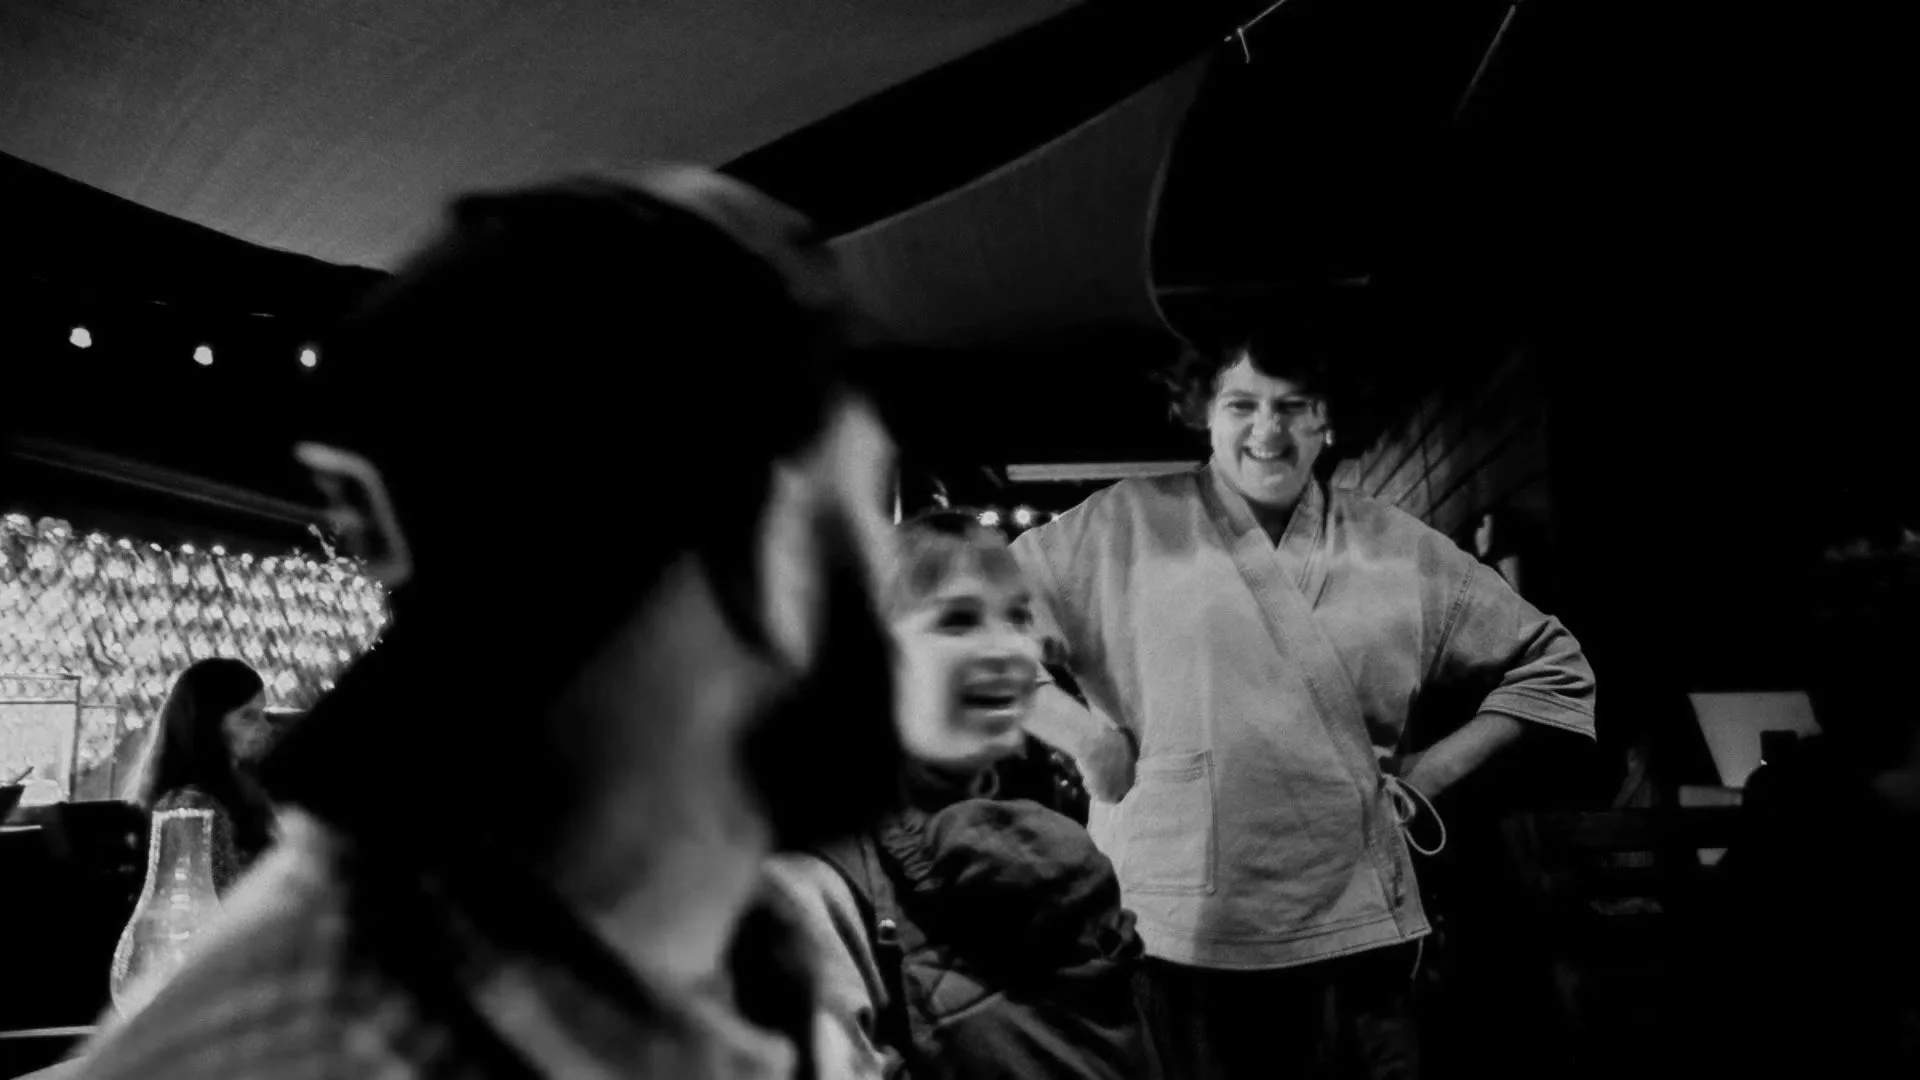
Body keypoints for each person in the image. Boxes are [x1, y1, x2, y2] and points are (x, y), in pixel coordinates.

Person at [63, 170, 907, 1079]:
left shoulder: (740, 948)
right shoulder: (302, 1053)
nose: (888, 578)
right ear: (770, 536)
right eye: (868, 504)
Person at [1009, 330, 1597, 1079]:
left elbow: (1555, 666)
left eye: (1294, 406)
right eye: (1242, 405)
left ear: (1328, 419)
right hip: (1171, 930)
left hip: (1355, 925)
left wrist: (1429, 775)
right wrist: (1080, 736)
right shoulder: (1120, 527)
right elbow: (962, 625)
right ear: (1204, 411)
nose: (1268, 429)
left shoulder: (1398, 548)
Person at [771, 509, 1145, 1079]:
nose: (1007, 648)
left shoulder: (1033, 836)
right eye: (958, 620)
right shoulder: (812, 885)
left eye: (1017, 617)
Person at [125, 658, 279, 893]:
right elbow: (222, 898)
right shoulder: (191, 806)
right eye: (248, 716)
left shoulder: (245, 790)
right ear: (208, 724)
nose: (266, 727)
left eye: (262, 714)